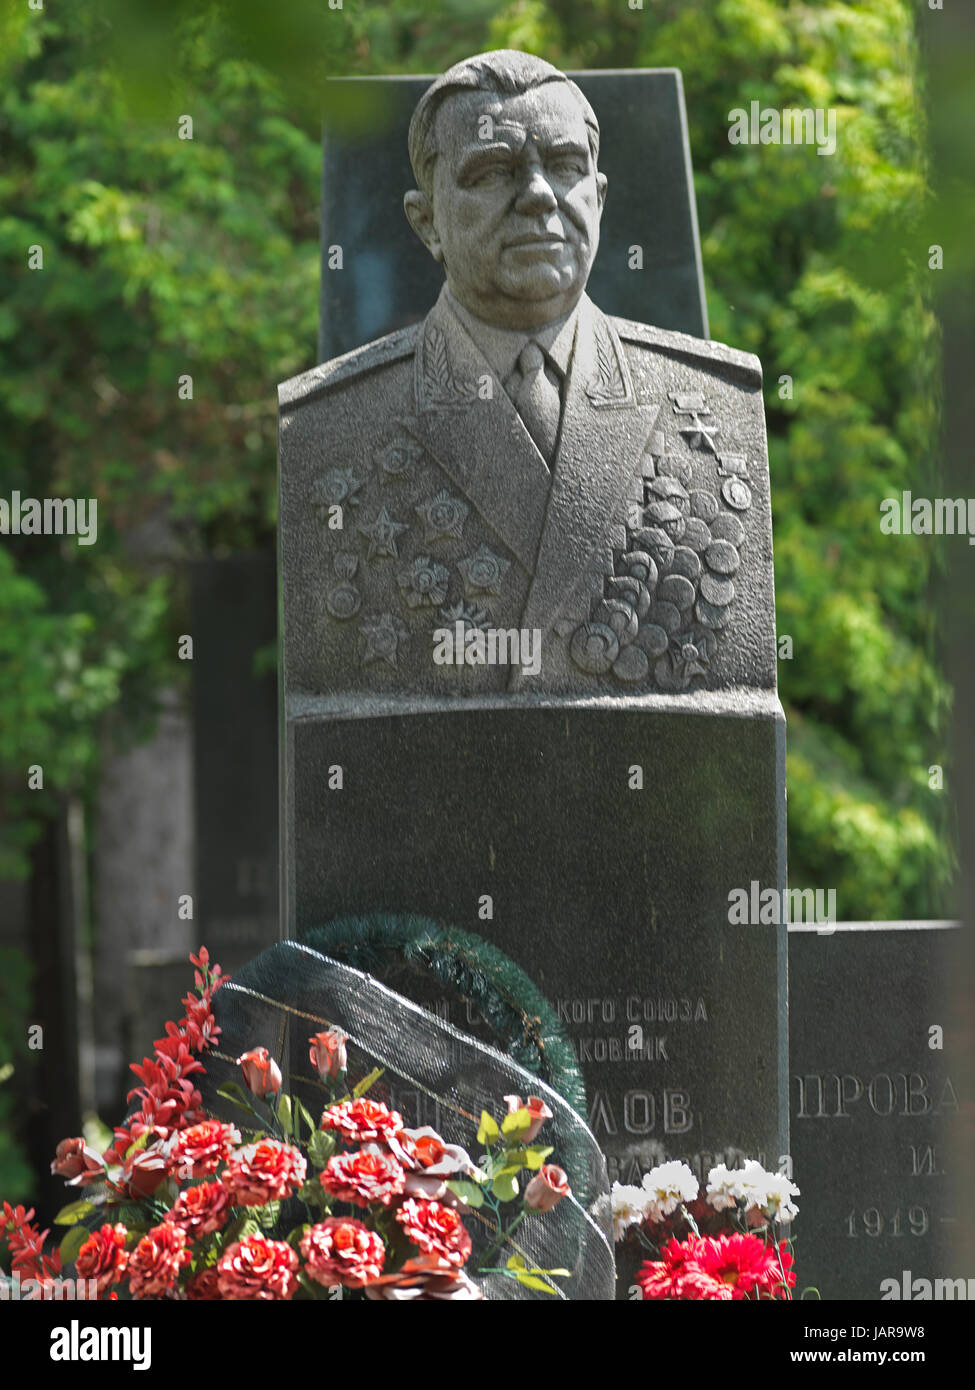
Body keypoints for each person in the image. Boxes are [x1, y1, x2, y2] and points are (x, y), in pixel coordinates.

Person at [278, 50, 771, 696]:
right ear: (425, 222)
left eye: (565, 166)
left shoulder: (716, 407)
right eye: (492, 171)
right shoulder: (326, 427)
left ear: (596, 198)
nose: (538, 195)